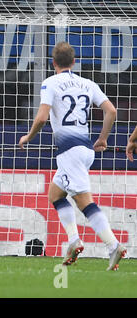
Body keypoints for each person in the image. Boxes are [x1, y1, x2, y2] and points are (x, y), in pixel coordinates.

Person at [18, 41, 126, 271]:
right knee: (56, 194)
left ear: (53, 63)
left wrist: (28, 137)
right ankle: (73, 241)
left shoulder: (50, 83)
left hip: (70, 152)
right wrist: (103, 138)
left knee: (83, 201)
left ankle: (113, 245)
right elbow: (111, 110)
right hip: (86, 149)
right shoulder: (87, 83)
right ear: (74, 61)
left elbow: (41, 118)